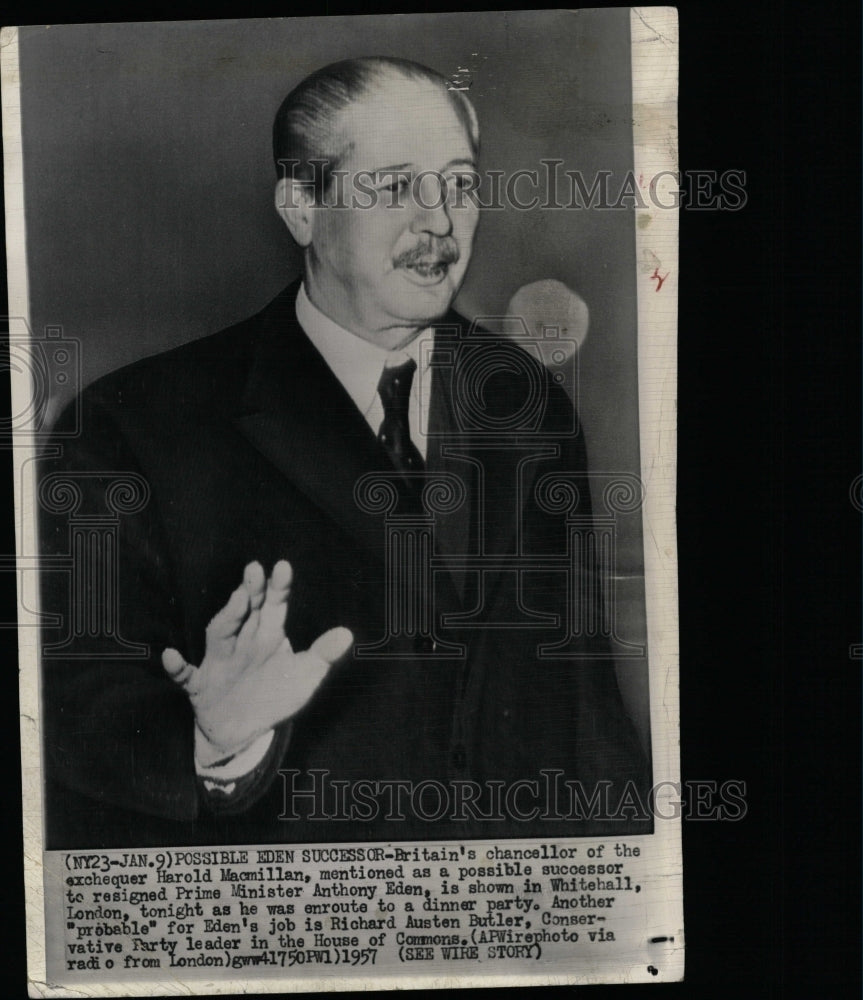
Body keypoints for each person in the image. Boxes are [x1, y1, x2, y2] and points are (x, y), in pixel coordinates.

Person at [39, 57, 650, 848]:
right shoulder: (131, 425)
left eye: (458, 185)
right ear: (300, 207)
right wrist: (214, 741)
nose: (440, 222)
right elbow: (74, 712)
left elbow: (581, 706)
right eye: (395, 187)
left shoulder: (524, 402)